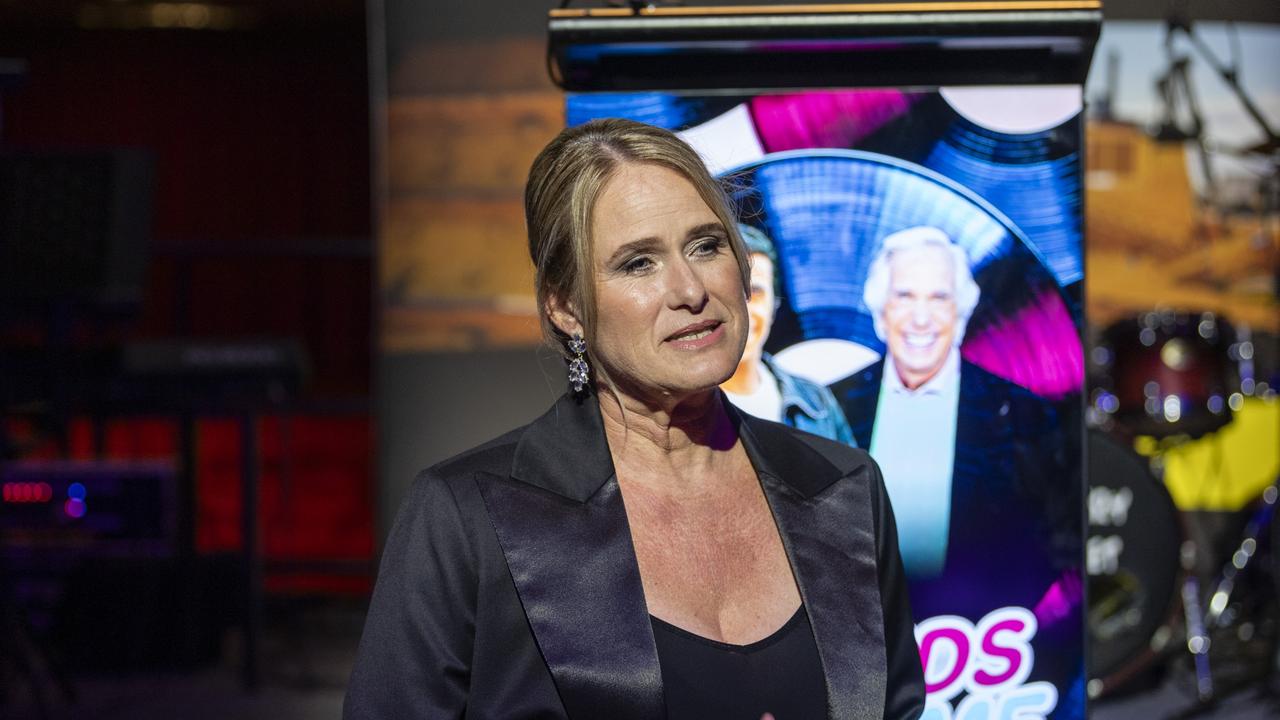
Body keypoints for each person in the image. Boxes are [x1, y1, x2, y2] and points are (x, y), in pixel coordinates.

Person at [345, 119, 925, 719]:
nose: (691, 289)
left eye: (706, 244)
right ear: (566, 307)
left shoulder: (845, 489)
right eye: (638, 263)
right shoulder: (465, 517)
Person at [829, 226, 1070, 615]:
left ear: (960, 313)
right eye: (905, 296)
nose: (921, 318)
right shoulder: (833, 404)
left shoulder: (1024, 415)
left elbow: (1052, 550)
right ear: (880, 310)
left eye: (939, 297)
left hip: (978, 645)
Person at [721, 224, 854, 445]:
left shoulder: (816, 403)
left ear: (774, 306)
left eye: (755, 292)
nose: (742, 310)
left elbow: (857, 479)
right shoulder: (677, 414)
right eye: (727, 292)